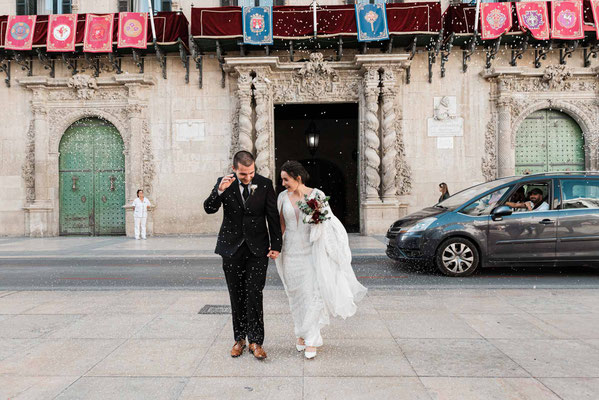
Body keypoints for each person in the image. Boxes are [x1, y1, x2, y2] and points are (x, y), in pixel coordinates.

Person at [275, 160, 367, 360]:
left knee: (312, 295)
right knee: (296, 295)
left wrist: (318, 221)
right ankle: (301, 333)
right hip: (290, 252)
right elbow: (281, 226)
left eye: (286, 179)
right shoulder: (282, 197)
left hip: (311, 252)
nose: (282, 183)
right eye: (282, 179)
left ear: (298, 178)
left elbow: (329, 224)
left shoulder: (316, 196)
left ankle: (312, 339)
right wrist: (275, 248)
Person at [203, 151, 282, 360]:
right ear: (234, 169)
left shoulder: (264, 184)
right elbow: (209, 209)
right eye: (243, 174)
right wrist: (219, 191)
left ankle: (256, 341)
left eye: (251, 173)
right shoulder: (223, 183)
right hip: (231, 248)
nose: (248, 178)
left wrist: (277, 244)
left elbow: (272, 215)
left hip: (258, 249)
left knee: (254, 294)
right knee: (236, 294)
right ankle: (239, 339)